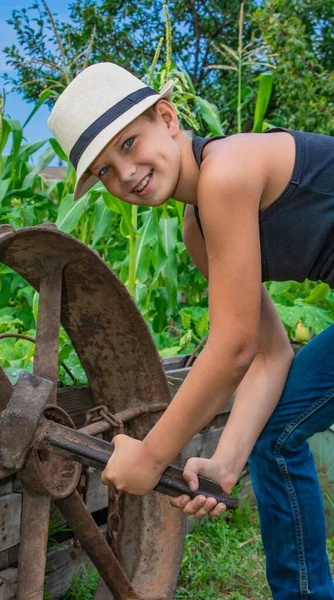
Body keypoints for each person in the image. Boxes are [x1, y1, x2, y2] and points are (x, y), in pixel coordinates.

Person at [48, 62, 334, 599]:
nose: (126, 173)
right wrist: (226, 459)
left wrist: (153, 456)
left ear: (168, 117)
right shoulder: (198, 230)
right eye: (106, 171)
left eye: (130, 144)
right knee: (276, 436)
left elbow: (231, 350)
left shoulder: (228, 171)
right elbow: (270, 357)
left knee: (280, 434)